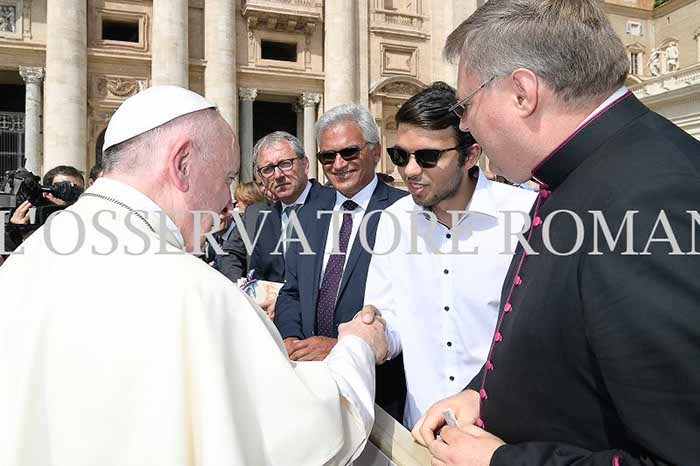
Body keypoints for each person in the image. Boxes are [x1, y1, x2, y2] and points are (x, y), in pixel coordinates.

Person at [0, 85, 389, 466]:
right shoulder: (193, 291)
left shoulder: (34, 252)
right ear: (182, 164)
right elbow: (304, 427)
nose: (227, 201)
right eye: (226, 178)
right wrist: (357, 345)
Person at [412, 1, 700, 465]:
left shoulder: (651, 200)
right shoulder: (583, 169)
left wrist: (502, 462)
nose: (464, 125)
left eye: (465, 106)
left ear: (522, 93)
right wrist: (481, 393)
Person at [364, 82, 536, 430]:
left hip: (505, 437)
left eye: (427, 157)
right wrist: (371, 335)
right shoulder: (393, 220)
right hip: (421, 433)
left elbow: (544, 336)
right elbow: (390, 320)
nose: (410, 170)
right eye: (401, 156)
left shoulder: (526, 216)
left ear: (470, 155)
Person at [275, 103, 408, 421]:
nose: (338, 164)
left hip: (380, 390)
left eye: (349, 152)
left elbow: (413, 308)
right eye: (327, 156)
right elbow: (292, 291)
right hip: (312, 382)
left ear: (375, 152)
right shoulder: (307, 213)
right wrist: (291, 340)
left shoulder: (406, 213)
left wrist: (343, 347)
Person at [246, 131, 328, 283]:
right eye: (268, 169)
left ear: (305, 164)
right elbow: (258, 276)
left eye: (285, 164)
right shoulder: (265, 218)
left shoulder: (333, 204)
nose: (278, 175)